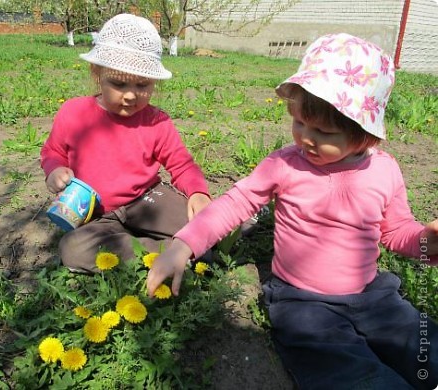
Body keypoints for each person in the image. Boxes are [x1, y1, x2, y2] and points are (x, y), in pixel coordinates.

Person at [147, 33, 438, 389]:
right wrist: (183, 246)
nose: (306, 138)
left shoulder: (384, 170)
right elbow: (235, 204)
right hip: (304, 303)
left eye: (323, 131)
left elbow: (395, 231)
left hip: (372, 295)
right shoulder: (285, 165)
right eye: (299, 122)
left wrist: (426, 241)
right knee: (349, 371)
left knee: (422, 344)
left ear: (365, 135)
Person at [40, 13, 212, 272]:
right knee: (73, 249)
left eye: (142, 84)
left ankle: (206, 236)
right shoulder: (73, 113)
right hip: (95, 214)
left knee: (206, 224)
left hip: (148, 201)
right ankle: (167, 251)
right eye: (119, 83)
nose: (131, 95)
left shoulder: (156, 121)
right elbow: (52, 151)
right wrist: (53, 170)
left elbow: (182, 164)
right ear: (97, 73)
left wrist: (198, 193)